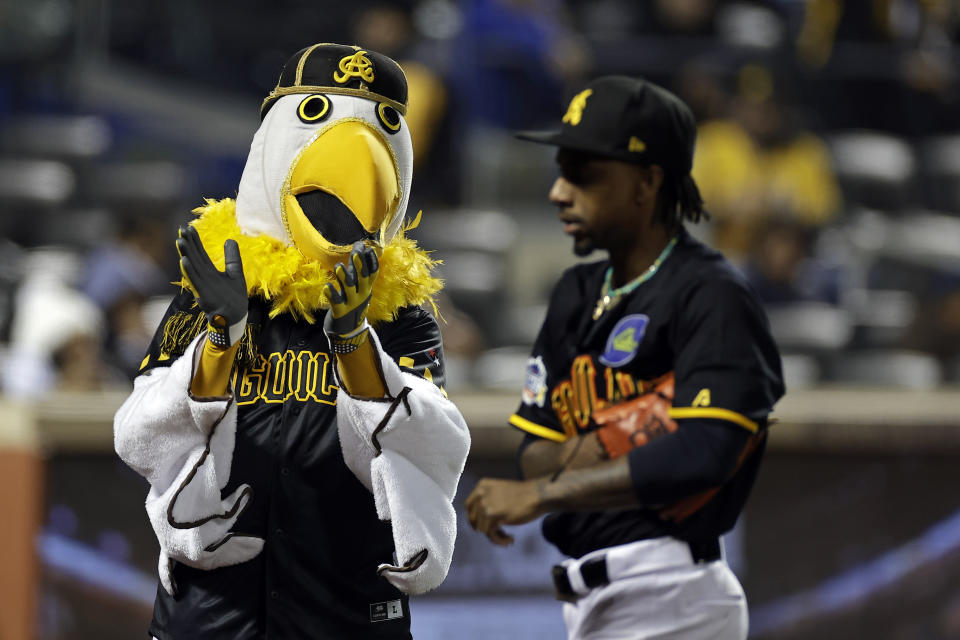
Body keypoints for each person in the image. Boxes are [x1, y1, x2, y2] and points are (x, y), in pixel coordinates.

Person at [113, 43, 470, 639]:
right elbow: (140, 435)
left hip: (345, 610)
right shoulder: (213, 284)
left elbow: (433, 446)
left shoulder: (401, 313)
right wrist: (219, 341)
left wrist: (356, 343)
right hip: (211, 614)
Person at [465, 75, 784, 639]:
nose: (559, 191)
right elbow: (533, 454)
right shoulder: (574, 292)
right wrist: (630, 432)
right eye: (562, 170)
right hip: (592, 601)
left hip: (674, 593)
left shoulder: (711, 294)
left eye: (584, 174)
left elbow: (702, 454)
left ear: (647, 182)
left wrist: (544, 492)